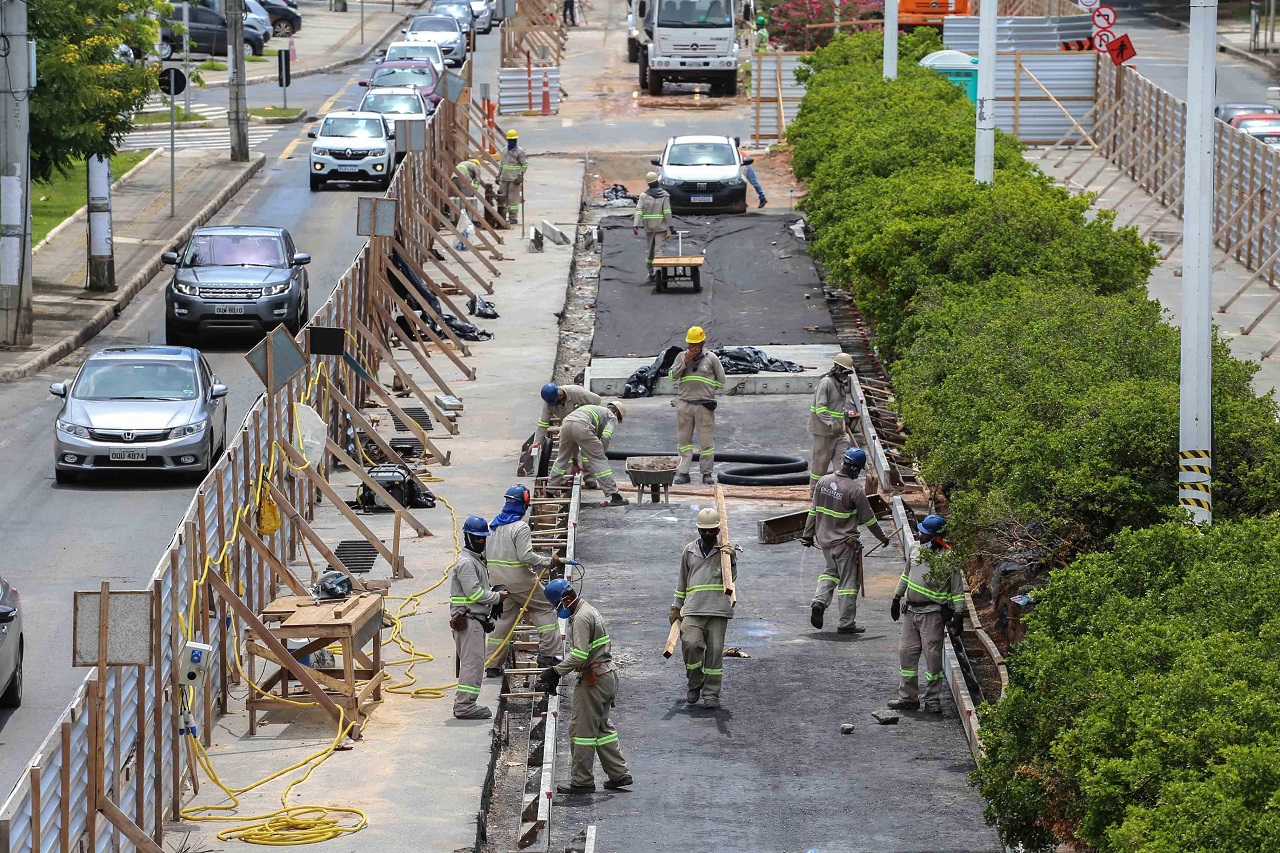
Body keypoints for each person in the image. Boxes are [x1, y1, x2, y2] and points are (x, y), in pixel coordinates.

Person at [539, 579, 633, 793]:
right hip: (607, 674)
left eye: (559, 605)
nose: (559, 610)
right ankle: (619, 774)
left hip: (595, 678)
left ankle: (582, 781)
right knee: (601, 727)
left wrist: (555, 672)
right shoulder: (589, 610)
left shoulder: (580, 617)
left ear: (567, 599)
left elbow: (580, 654)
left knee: (581, 730)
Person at [801, 448, 889, 634]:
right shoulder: (855, 490)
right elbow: (869, 519)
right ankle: (846, 623)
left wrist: (807, 535)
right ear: (856, 469)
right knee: (849, 583)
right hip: (845, 544)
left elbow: (813, 511)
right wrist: (882, 538)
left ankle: (819, 601)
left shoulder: (823, 481)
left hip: (824, 541)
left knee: (830, 572)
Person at [484, 485, 566, 678]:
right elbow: (526, 556)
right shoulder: (520, 527)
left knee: (503, 621)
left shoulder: (492, 525)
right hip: (519, 580)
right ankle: (548, 654)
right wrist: (549, 561)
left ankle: (493, 666)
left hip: (498, 581)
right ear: (523, 505)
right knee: (544, 606)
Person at [889, 514, 964, 713]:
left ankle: (932, 700)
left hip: (932, 615)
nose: (918, 535)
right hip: (910, 612)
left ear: (936, 538)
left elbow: (957, 591)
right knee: (906, 653)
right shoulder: (915, 549)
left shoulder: (949, 559)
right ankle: (908, 697)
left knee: (932, 658)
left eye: (924, 533)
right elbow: (906, 575)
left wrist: (959, 615)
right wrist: (896, 598)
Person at [670, 508, 736, 708]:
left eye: (711, 531)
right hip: (693, 609)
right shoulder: (689, 551)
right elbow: (682, 580)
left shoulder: (724, 552)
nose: (707, 534)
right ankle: (695, 683)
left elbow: (731, 580)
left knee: (715, 654)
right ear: (698, 530)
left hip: (717, 610)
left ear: (718, 529)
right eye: (703, 531)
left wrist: (731, 560)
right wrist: (676, 607)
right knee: (690, 644)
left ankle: (711, 694)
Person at [449, 515, 510, 720]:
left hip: (474, 619)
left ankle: (466, 703)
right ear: (467, 537)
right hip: (468, 620)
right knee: (472, 663)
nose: (481, 542)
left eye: (483, 538)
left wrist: (493, 594)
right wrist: (497, 597)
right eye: (477, 538)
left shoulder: (476, 560)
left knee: (473, 662)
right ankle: (465, 706)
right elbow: (474, 594)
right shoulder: (467, 563)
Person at [668, 326, 726, 486]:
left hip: (704, 406)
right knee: (683, 441)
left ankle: (706, 473)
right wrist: (685, 363)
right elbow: (672, 376)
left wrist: (707, 392)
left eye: (696, 344)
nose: (693, 347)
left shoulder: (711, 358)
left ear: (702, 343)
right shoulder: (681, 357)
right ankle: (683, 472)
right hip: (685, 405)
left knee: (706, 442)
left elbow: (721, 380)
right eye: (690, 344)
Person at [548, 401, 630, 507]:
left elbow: (575, 440)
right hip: (582, 426)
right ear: (617, 413)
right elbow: (606, 436)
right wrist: (601, 452)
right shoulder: (611, 416)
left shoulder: (594, 410)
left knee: (562, 458)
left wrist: (575, 462)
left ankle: (550, 490)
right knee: (600, 461)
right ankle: (614, 495)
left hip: (566, 424)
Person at [808, 352, 859, 487]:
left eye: (848, 373)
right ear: (837, 368)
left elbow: (837, 407)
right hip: (824, 433)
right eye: (844, 371)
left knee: (843, 465)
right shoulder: (826, 383)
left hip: (839, 433)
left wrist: (844, 418)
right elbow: (820, 408)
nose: (846, 375)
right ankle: (815, 496)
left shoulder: (840, 384)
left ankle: (840, 492)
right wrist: (831, 423)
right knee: (819, 468)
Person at [634, 171, 676, 279]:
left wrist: (636, 225)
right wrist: (671, 227)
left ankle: (651, 272)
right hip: (661, 227)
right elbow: (667, 212)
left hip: (649, 228)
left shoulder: (644, 196)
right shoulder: (665, 195)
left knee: (650, 250)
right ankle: (658, 271)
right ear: (657, 181)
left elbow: (639, 210)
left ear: (648, 183)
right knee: (659, 249)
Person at [497, 129, 529, 225]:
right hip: (504, 178)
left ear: (516, 140)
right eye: (510, 140)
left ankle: (513, 217)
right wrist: (498, 176)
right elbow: (502, 165)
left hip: (514, 179)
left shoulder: (520, 151)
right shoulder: (504, 150)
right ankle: (502, 216)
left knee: (513, 199)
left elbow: (524, 165)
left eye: (513, 140)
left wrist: (520, 176)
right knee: (502, 197)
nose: (511, 142)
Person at [734, 137, 766, 209]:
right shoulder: (735, 150)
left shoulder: (735, 151)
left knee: (750, 182)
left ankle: (762, 197)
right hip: (743, 167)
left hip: (746, 166)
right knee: (750, 182)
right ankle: (761, 197)